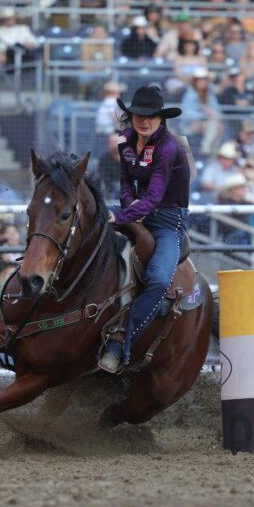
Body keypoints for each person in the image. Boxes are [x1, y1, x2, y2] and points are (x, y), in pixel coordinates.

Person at [99, 85, 190, 373]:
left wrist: (123, 215)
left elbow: (153, 197)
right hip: (138, 211)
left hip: (168, 221)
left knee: (159, 279)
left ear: (161, 118)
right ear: (131, 115)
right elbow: (126, 181)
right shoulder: (125, 140)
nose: (144, 120)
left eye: (151, 116)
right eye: (138, 114)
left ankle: (121, 341)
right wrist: (128, 205)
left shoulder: (168, 148)